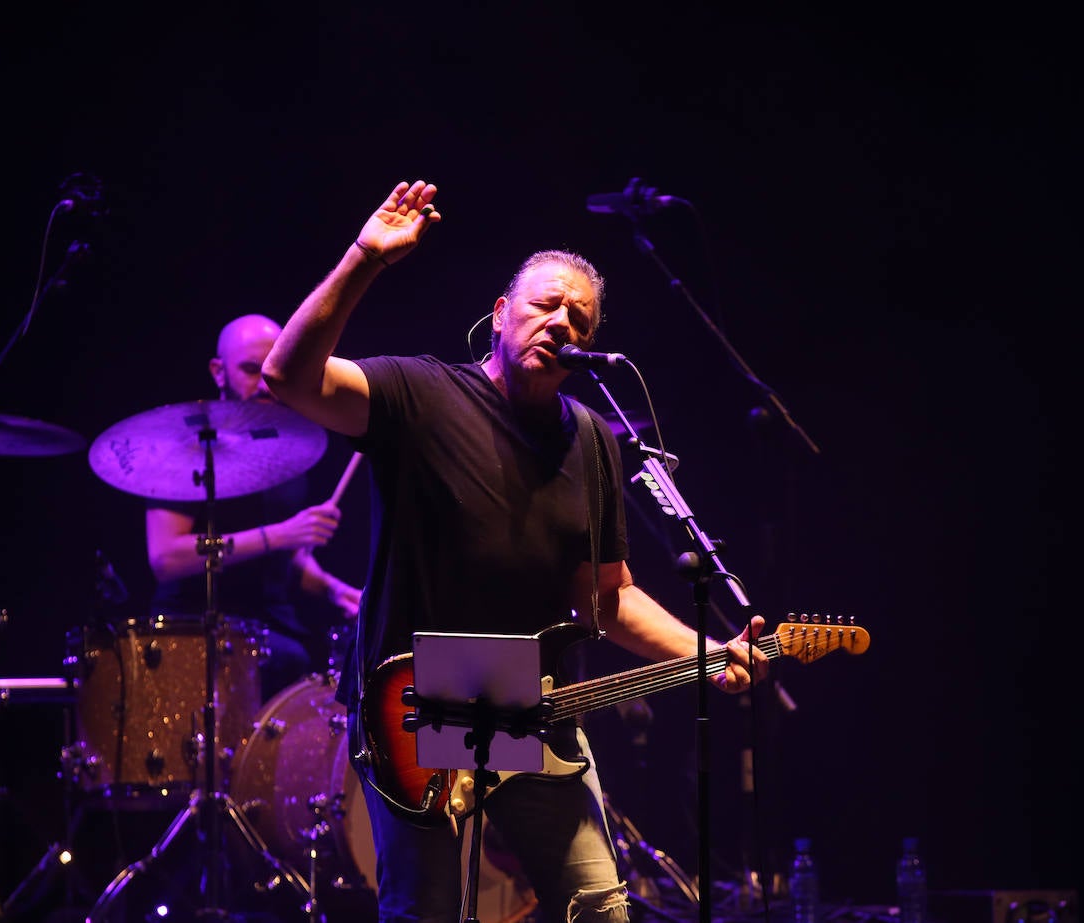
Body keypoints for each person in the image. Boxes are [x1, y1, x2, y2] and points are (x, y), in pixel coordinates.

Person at [262, 180, 769, 923]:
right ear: (501, 313)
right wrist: (364, 258)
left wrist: (709, 653)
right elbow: (288, 376)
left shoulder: (590, 437)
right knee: (426, 910)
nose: (561, 322)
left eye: (579, 318)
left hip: (532, 700)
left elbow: (608, 598)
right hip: (416, 691)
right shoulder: (421, 393)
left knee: (599, 909)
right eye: (545, 305)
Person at [145, 313, 364, 704]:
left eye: (272, 371)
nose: (265, 384)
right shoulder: (186, 451)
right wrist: (281, 534)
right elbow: (166, 557)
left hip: (275, 635)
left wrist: (336, 591)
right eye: (250, 370)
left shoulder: (287, 452)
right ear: (218, 371)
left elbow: (286, 560)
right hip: (193, 638)